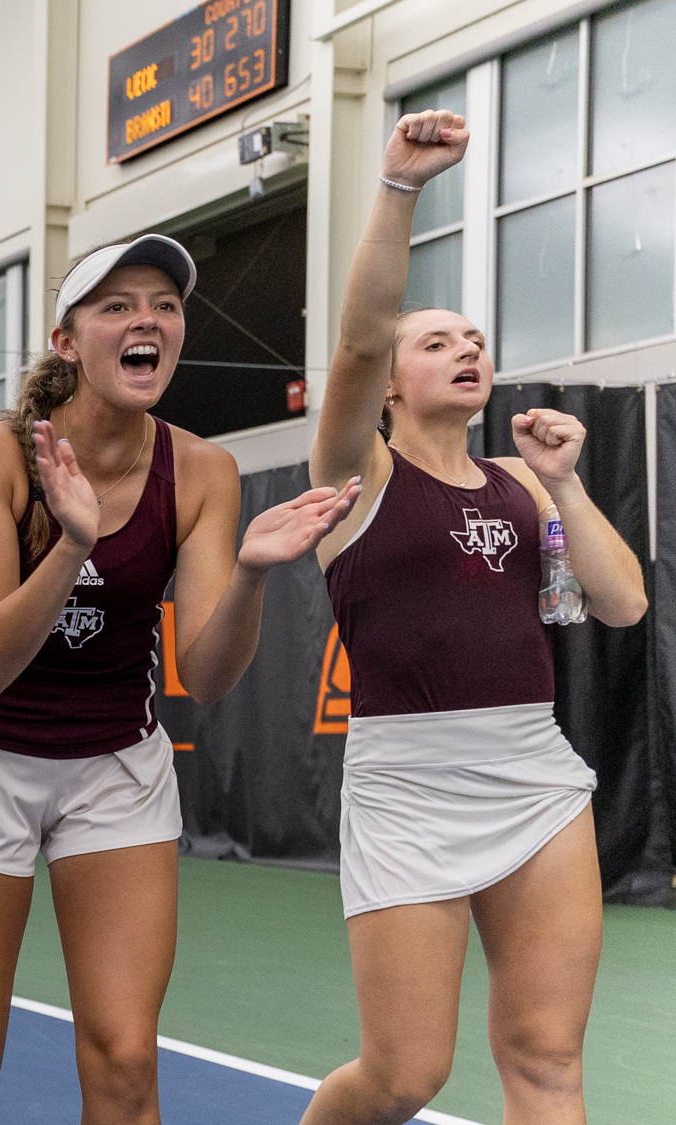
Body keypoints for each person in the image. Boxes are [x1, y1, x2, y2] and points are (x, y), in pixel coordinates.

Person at [0, 234, 361, 1125]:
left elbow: (210, 671)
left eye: (164, 304)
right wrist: (73, 545)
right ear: (67, 341)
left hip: (115, 767)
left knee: (123, 1062)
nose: (146, 319)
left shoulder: (203, 471)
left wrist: (255, 572)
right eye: (116, 305)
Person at [296, 111, 646, 1125]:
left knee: (545, 1055)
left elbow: (618, 604)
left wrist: (564, 486)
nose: (464, 350)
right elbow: (360, 335)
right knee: (403, 1076)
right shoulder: (352, 475)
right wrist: (400, 188)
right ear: (390, 383)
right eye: (436, 341)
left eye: (474, 341)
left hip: (531, 776)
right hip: (406, 786)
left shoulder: (521, 484)